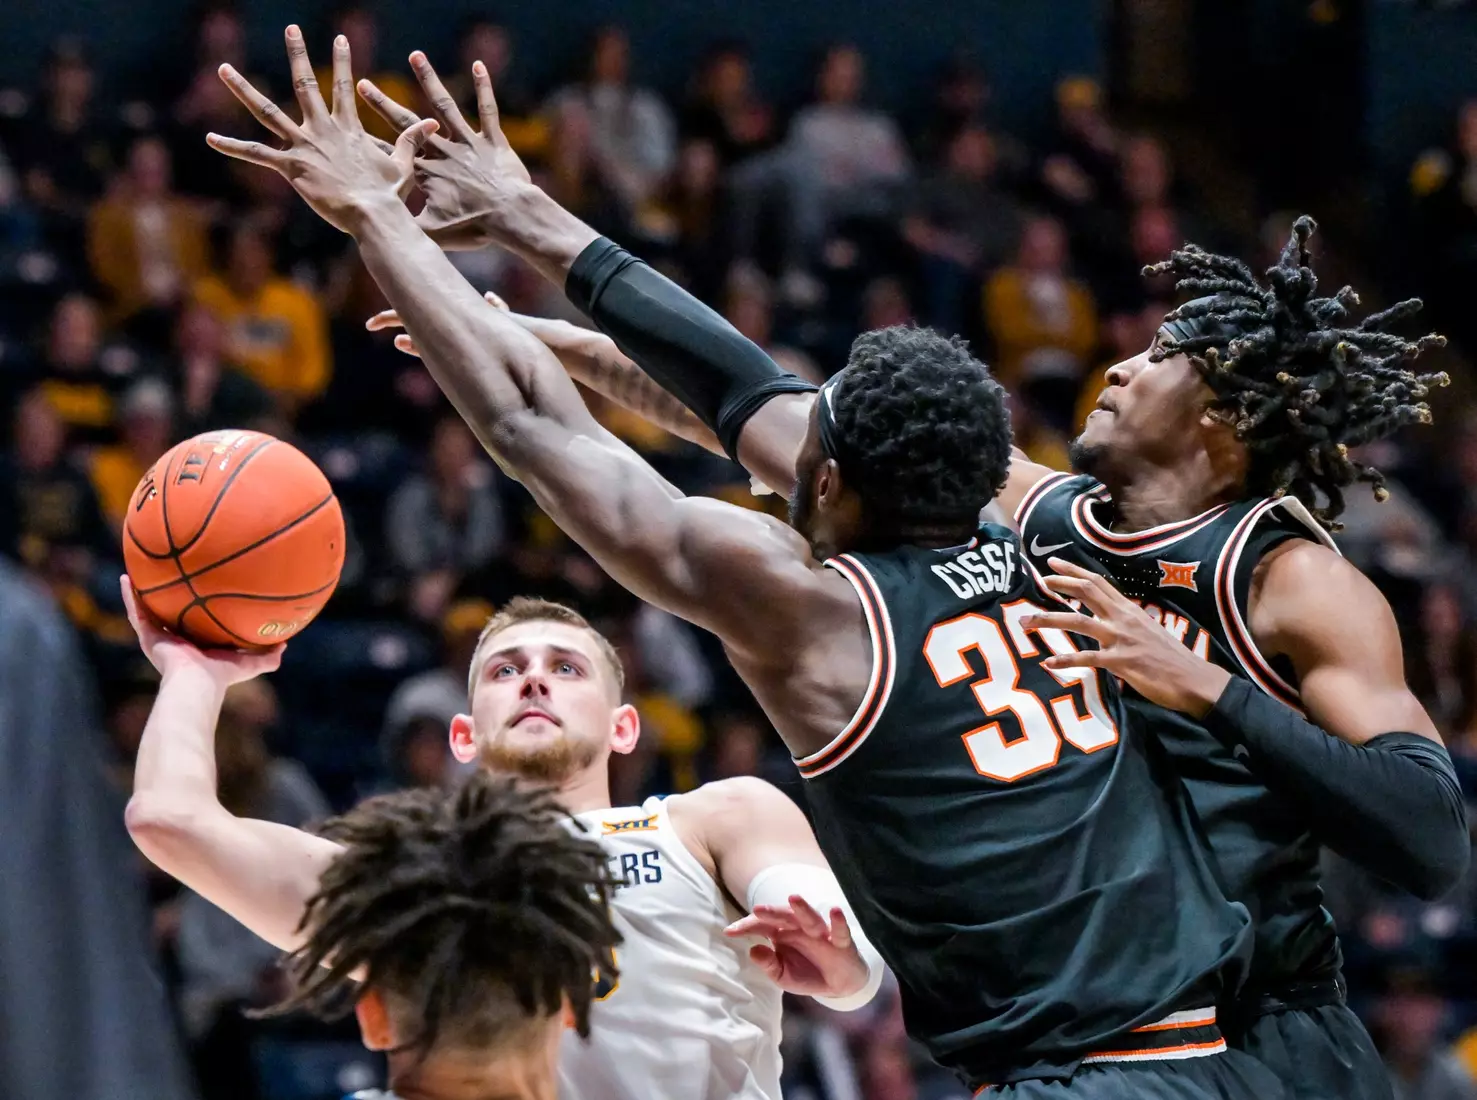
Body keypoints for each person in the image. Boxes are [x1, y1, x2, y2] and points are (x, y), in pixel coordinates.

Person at [213, 34, 1285, 1097]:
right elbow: (741, 404)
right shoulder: (1048, 542)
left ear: (829, 483)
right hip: (1217, 1042)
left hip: (1072, 1072)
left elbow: (535, 427)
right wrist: (544, 259)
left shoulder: (817, 609)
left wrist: (378, 215)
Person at [448, 173, 1470, 1097]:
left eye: (1162, 356)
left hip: (1273, 1028)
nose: (1120, 365)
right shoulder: (1040, 512)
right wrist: (559, 313)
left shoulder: (1287, 580)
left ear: (1223, 420)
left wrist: (1205, 686)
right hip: (1095, 1030)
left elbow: (1428, 835)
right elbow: (766, 409)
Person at [127, 587, 626, 1100]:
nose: (535, 681)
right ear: (462, 735)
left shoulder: (402, 895)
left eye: (567, 668)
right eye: (505, 670)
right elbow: (171, 820)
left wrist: (191, 673)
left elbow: (166, 816)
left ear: (624, 727)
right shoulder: (423, 887)